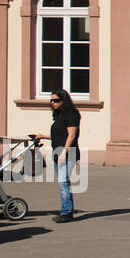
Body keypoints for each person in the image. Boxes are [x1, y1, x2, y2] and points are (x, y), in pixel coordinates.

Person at [49, 88, 80, 223]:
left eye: (56, 100)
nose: (53, 103)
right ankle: (66, 210)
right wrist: (42, 136)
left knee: (63, 183)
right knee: (63, 183)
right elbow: (59, 134)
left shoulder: (72, 114)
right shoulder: (59, 115)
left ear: (64, 100)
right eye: (51, 100)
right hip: (57, 153)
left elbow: (72, 135)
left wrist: (64, 153)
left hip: (68, 153)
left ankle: (66, 212)